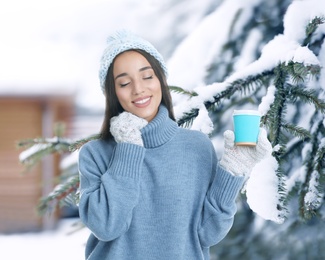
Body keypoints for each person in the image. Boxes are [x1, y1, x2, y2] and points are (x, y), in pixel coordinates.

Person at [78, 30, 272, 260]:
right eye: (124, 82)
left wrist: (233, 170)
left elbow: (207, 233)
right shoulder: (95, 154)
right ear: (113, 93)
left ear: (161, 79)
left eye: (147, 76)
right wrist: (128, 148)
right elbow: (107, 226)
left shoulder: (196, 147)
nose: (138, 89)